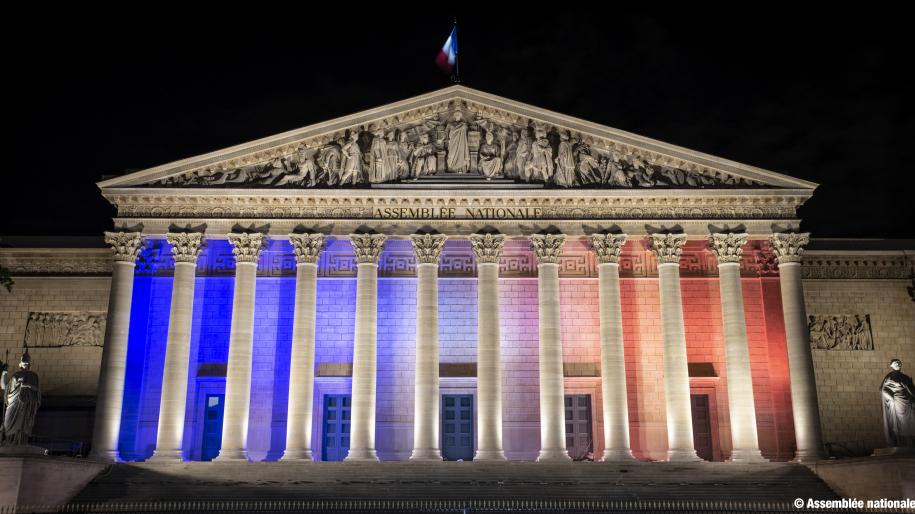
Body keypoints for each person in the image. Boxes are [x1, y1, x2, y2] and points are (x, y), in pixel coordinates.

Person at [1, 350, 41, 446]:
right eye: (23, 363)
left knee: (22, 425)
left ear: (29, 364)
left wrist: (27, 385)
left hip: (25, 403)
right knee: (7, 423)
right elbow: (4, 387)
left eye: (27, 364)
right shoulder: (15, 375)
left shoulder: (33, 376)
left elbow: (37, 390)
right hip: (13, 403)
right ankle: (8, 441)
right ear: (20, 364)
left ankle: (20, 442)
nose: (25, 365)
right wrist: (4, 373)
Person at [881, 359, 915, 448]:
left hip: (908, 402)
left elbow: (911, 390)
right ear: (891, 366)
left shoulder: (905, 377)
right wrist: (891, 398)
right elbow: (883, 390)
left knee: (911, 422)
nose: (898, 364)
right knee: (901, 422)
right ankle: (902, 442)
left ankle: (911, 442)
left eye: (899, 363)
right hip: (899, 402)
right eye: (896, 363)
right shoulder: (889, 377)